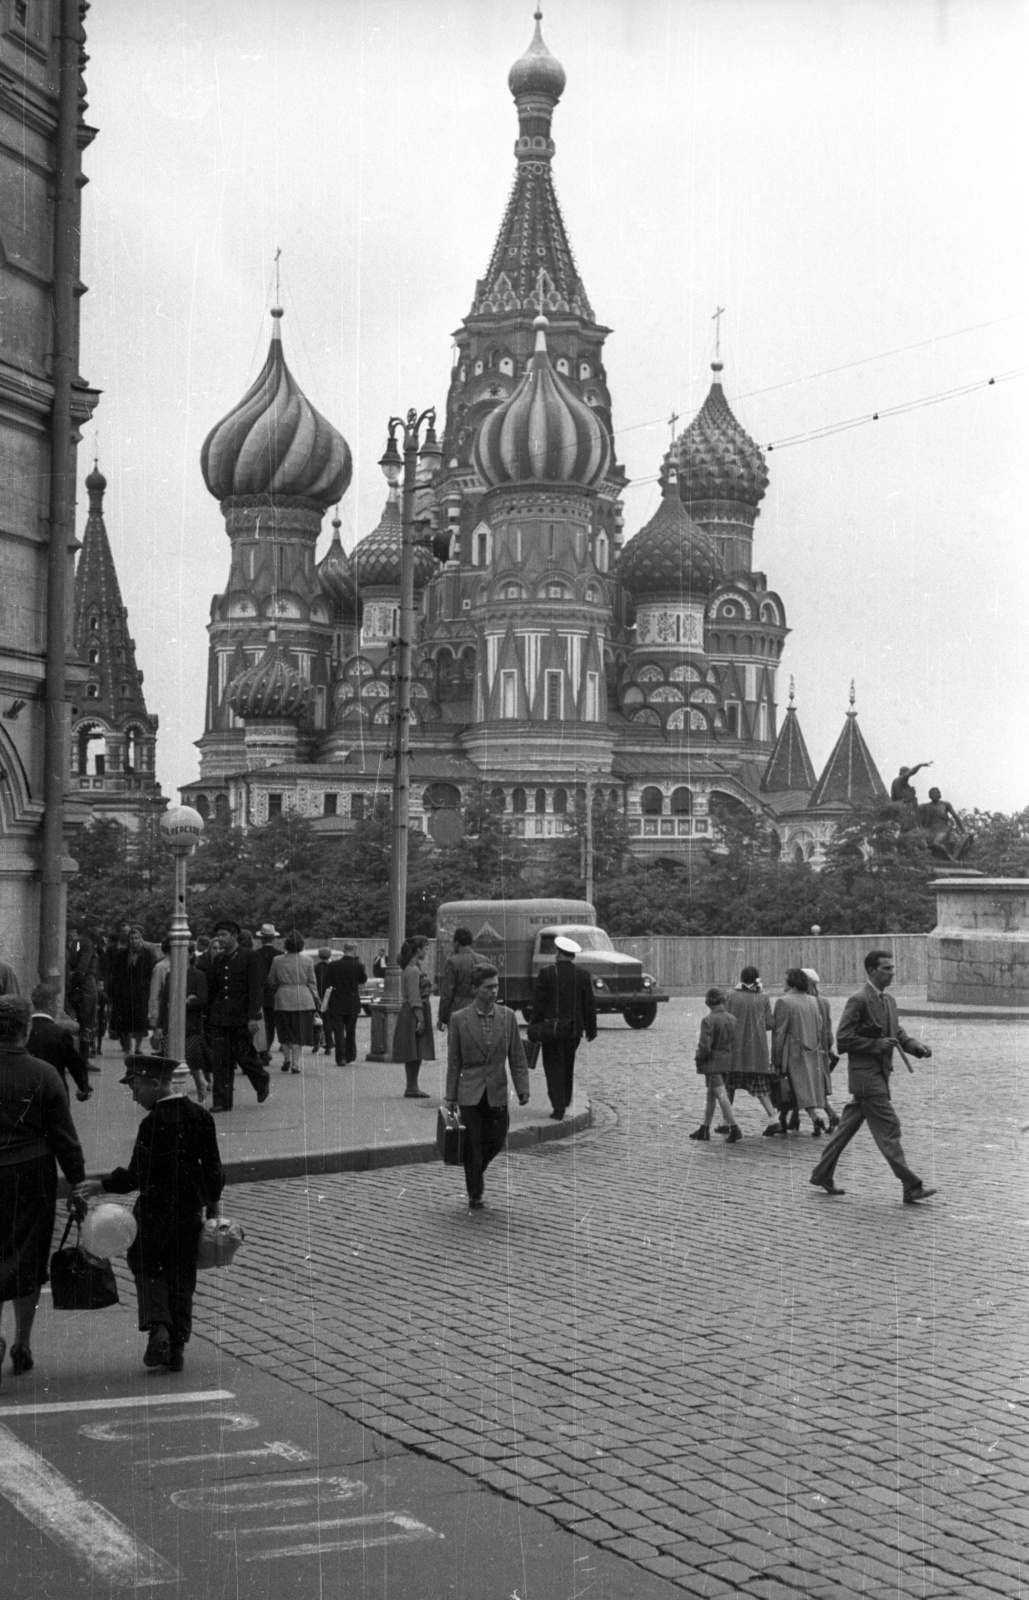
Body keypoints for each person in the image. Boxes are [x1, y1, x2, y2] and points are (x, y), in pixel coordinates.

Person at [73, 1055, 224, 1374]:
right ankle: (178, 1347)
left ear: (157, 1084)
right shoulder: (200, 1116)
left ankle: (159, 1327)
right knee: (182, 1275)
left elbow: (137, 1175)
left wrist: (101, 1186)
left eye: (137, 1088)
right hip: (188, 1212)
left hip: (154, 1211)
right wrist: (213, 1203)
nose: (134, 1096)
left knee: (147, 1266)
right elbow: (213, 1169)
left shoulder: (154, 1123)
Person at [0, 996, 86, 1383]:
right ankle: (23, 1342)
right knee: (28, 1256)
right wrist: (78, 1182)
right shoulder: (45, 1073)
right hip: (32, 1174)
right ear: (26, 1030)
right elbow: (64, 1136)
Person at [810, 950, 935, 1203]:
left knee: (846, 1129)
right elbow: (843, 1040)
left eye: (892, 968)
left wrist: (916, 1048)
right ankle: (910, 1185)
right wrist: (877, 1045)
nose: (892, 973)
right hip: (867, 1079)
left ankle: (822, 1173)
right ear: (871, 971)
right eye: (886, 968)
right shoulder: (858, 1000)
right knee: (889, 1127)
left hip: (879, 1075)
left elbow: (897, 1033)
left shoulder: (888, 1001)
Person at [445, 964, 529, 1211]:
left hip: (497, 1089)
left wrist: (522, 1088)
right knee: (474, 1143)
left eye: (496, 986)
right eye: (488, 987)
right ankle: (475, 1192)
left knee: (497, 1139)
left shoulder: (508, 1016)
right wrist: (451, 1095)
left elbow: (517, 1056)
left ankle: (475, 1169)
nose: (494, 991)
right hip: (469, 1091)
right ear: (475, 990)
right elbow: (454, 1062)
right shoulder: (459, 1019)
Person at [529, 934, 596, 1122]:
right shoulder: (583, 975)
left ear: (558, 953)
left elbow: (539, 1004)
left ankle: (558, 1107)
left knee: (553, 1066)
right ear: (572, 956)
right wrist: (591, 1030)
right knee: (567, 1064)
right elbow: (589, 1004)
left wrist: (534, 1026)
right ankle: (565, 1100)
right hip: (574, 1031)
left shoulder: (547, 973)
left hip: (553, 1029)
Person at [206, 920, 271, 1112]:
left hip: (241, 1016)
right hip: (220, 1017)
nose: (220, 938)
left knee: (244, 1055)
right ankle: (222, 1101)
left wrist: (253, 1016)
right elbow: (215, 989)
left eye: (224, 935)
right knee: (220, 1059)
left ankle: (261, 1080)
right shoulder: (219, 959)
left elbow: (256, 988)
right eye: (219, 935)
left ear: (234, 937)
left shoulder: (250, 957)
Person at [724, 967, 780, 1136]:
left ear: (741, 978)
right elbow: (770, 1024)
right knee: (761, 1089)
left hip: (735, 1050)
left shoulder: (730, 995)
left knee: (729, 1086)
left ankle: (726, 1121)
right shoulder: (763, 997)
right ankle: (773, 1119)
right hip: (757, 1052)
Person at [772, 970, 829, 1135]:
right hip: (811, 1050)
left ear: (792, 983)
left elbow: (779, 1033)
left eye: (785, 981)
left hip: (791, 1053)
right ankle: (805, 1118)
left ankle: (806, 1118)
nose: (783, 984)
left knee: (791, 1087)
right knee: (801, 1088)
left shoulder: (783, 1001)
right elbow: (818, 1026)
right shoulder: (813, 1000)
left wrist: (775, 1058)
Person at [156, 947, 211, 1104]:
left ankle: (200, 1082)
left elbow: (202, 999)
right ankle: (172, 1096)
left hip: (190, 1025)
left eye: (183, 953)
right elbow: (164, 1002)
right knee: (170, 1060)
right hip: (171, 1025)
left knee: (191, 1058)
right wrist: (159, 1026)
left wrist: (188, 1001)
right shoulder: (170, 975)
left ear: (191, 955)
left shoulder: (198, 975)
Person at [689, 987, 742, 1142]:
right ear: (723, 1001)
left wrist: (699, 1058)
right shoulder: (732, 1018)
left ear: (707, 1003)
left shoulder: (708, 1020)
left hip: (712, 1062)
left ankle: (734, 1127)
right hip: (726, 1059)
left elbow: (705, 1046)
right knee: (711, 1094)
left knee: (720, 1094)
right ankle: (704, 1128)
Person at [28, 984, 92, 1102]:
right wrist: (84, 1087)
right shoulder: (60, 1034)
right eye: (57, 1003)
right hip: (54, 1093)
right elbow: (75, 1064)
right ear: (50, 1005)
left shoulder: (25, 1031)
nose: (58, 1006)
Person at [269, 933, 319, 1075]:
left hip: (283, 998)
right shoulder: (308, 960)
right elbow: (312, 982)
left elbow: (271, 979)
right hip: (303, 998)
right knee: (298, 1032)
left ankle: (286, 1059)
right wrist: (316, 998)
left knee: (284, 1031)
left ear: (286, 945)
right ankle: (296, 1063)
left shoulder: (277, 960)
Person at [392, 936, 435, 1098]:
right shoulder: (413, 970)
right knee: (413, 1049)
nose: (427, 952)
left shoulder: (413, 968)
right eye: (425, 948)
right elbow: (414, 997)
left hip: (414, 1010)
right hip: (414, 1012)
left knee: (415, 1049)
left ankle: (412, 1086)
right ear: (418, 950)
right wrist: (421, 1019)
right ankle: (411, 1086)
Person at [800, 968, 840, 1131]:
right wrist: (829, 1047)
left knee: (804, 1085)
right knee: (818, 1085)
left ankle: (819, 1118)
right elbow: (828, 1026)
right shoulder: (823, 1000)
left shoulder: (807, 1001)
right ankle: (826, 1116)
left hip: (809, 1048)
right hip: (822, 1048)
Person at [107, 925, 155, 1055]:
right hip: (124, 991)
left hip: (140, 992)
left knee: (140, 1020)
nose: (134, 941)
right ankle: (127, 1045)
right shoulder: (122, 955)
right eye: (131, 939)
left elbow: (150, 973)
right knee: (124, 1020)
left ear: (140, 939)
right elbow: (116, 973)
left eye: (136, 938)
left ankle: (138, 1046)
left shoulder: (147, 954)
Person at [322, 940, 367, 1067]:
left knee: (338, 1031)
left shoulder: (333, 965)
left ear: (343, 950)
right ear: (355, 950)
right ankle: (350, 1054)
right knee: (351, 1030)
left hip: (337, 1001)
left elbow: (327, 983)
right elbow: (363, 980)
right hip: (352, 1001)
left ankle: (340, 1057)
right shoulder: (358, 966)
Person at [65, 918, 99, 1062]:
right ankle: (83, 1060)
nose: (100, 930)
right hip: (86, 984)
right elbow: (82, 968)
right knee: (88, 1021)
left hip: (78, 983)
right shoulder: (88, 943)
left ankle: (81, 1058)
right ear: (91, 927)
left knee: (81, 1019)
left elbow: (74, 963)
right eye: (98, 926)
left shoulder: (77, 942)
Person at [437, 927, 481, 1031]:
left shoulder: (452, 962)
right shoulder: (484, 960)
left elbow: (447, 994)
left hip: (458, 1010)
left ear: (457, 943)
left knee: (456, 1045)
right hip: (479, 1008)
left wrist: (441, 1017)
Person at [918, 787, 971, 863]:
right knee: (921, 842)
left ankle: (950, 857)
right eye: (932, 794)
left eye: (936, 793)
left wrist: (963, 830)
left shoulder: (945, 804)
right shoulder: (926, 806)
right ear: (929, 796)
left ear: (940, 795)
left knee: (936, 843)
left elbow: (956, 817)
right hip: (930, 829)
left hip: (943, 828)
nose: (935, 795)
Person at [255, 923, 283, 1066]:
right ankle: (267, 1048)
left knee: (261, 1023)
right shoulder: (279, 955)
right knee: (271, 1024)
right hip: (274, 993)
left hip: (259, 992)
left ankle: (262, 1050)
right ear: (273, 938)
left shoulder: (256, 954)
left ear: (261, 939)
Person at [147, 939, 172, 1049]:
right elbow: (154, 994)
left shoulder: (182, 966)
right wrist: (155, 1018)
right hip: (164, 1014)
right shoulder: (160, 967)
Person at [313, 946, 337, 1057]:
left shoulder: (315, 968)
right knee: (330, 1022)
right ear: (330, 955)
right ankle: (329, 1044)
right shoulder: (333, 967)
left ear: (319, 956)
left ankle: (317, 1044)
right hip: (332, 997)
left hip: (319, 997)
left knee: (318, 1021)